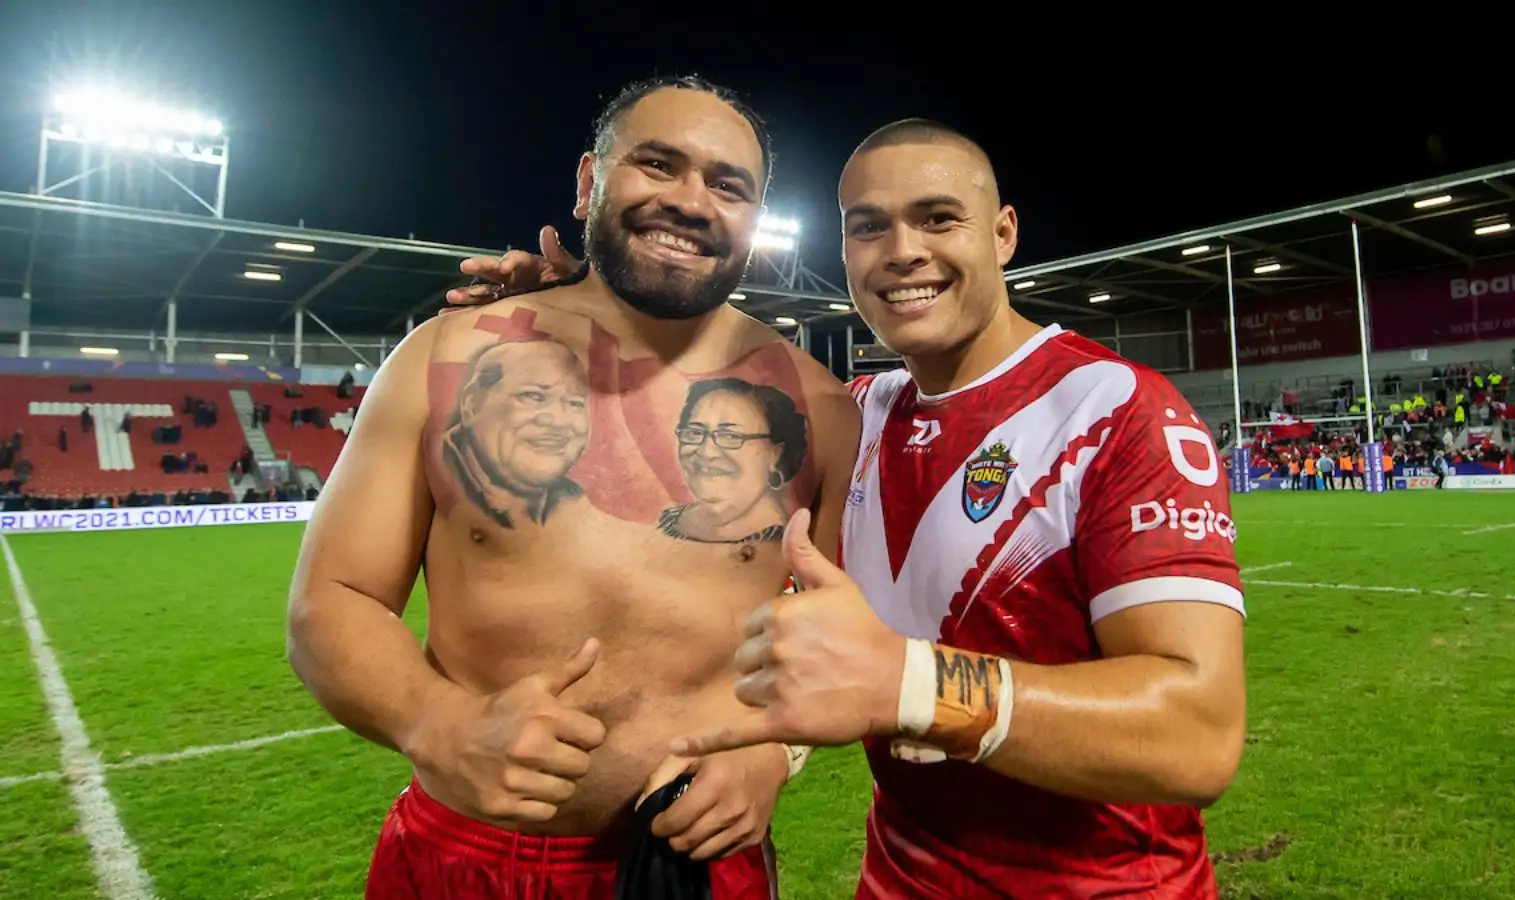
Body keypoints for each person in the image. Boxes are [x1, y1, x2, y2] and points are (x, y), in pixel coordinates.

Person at [459, 121, 1247, 896]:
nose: (902, 249)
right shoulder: (852, 417)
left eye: (938, 218)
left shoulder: (1116, 411)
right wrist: (588, 312)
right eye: (869, 228)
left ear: (1003, 233)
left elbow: (1197, 737)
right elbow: (672, 426)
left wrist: (908, 684)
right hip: (896, 877)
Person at [287, 76, 859, 899]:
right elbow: (329, 601)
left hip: (696, 866)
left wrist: (774, 753)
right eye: (657, 165)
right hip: (467, 854)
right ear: (589, 181)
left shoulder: (821, 411)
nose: (692, 202)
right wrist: (440, 725)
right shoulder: (444, 361)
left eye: (728, 185)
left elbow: (847, 635)